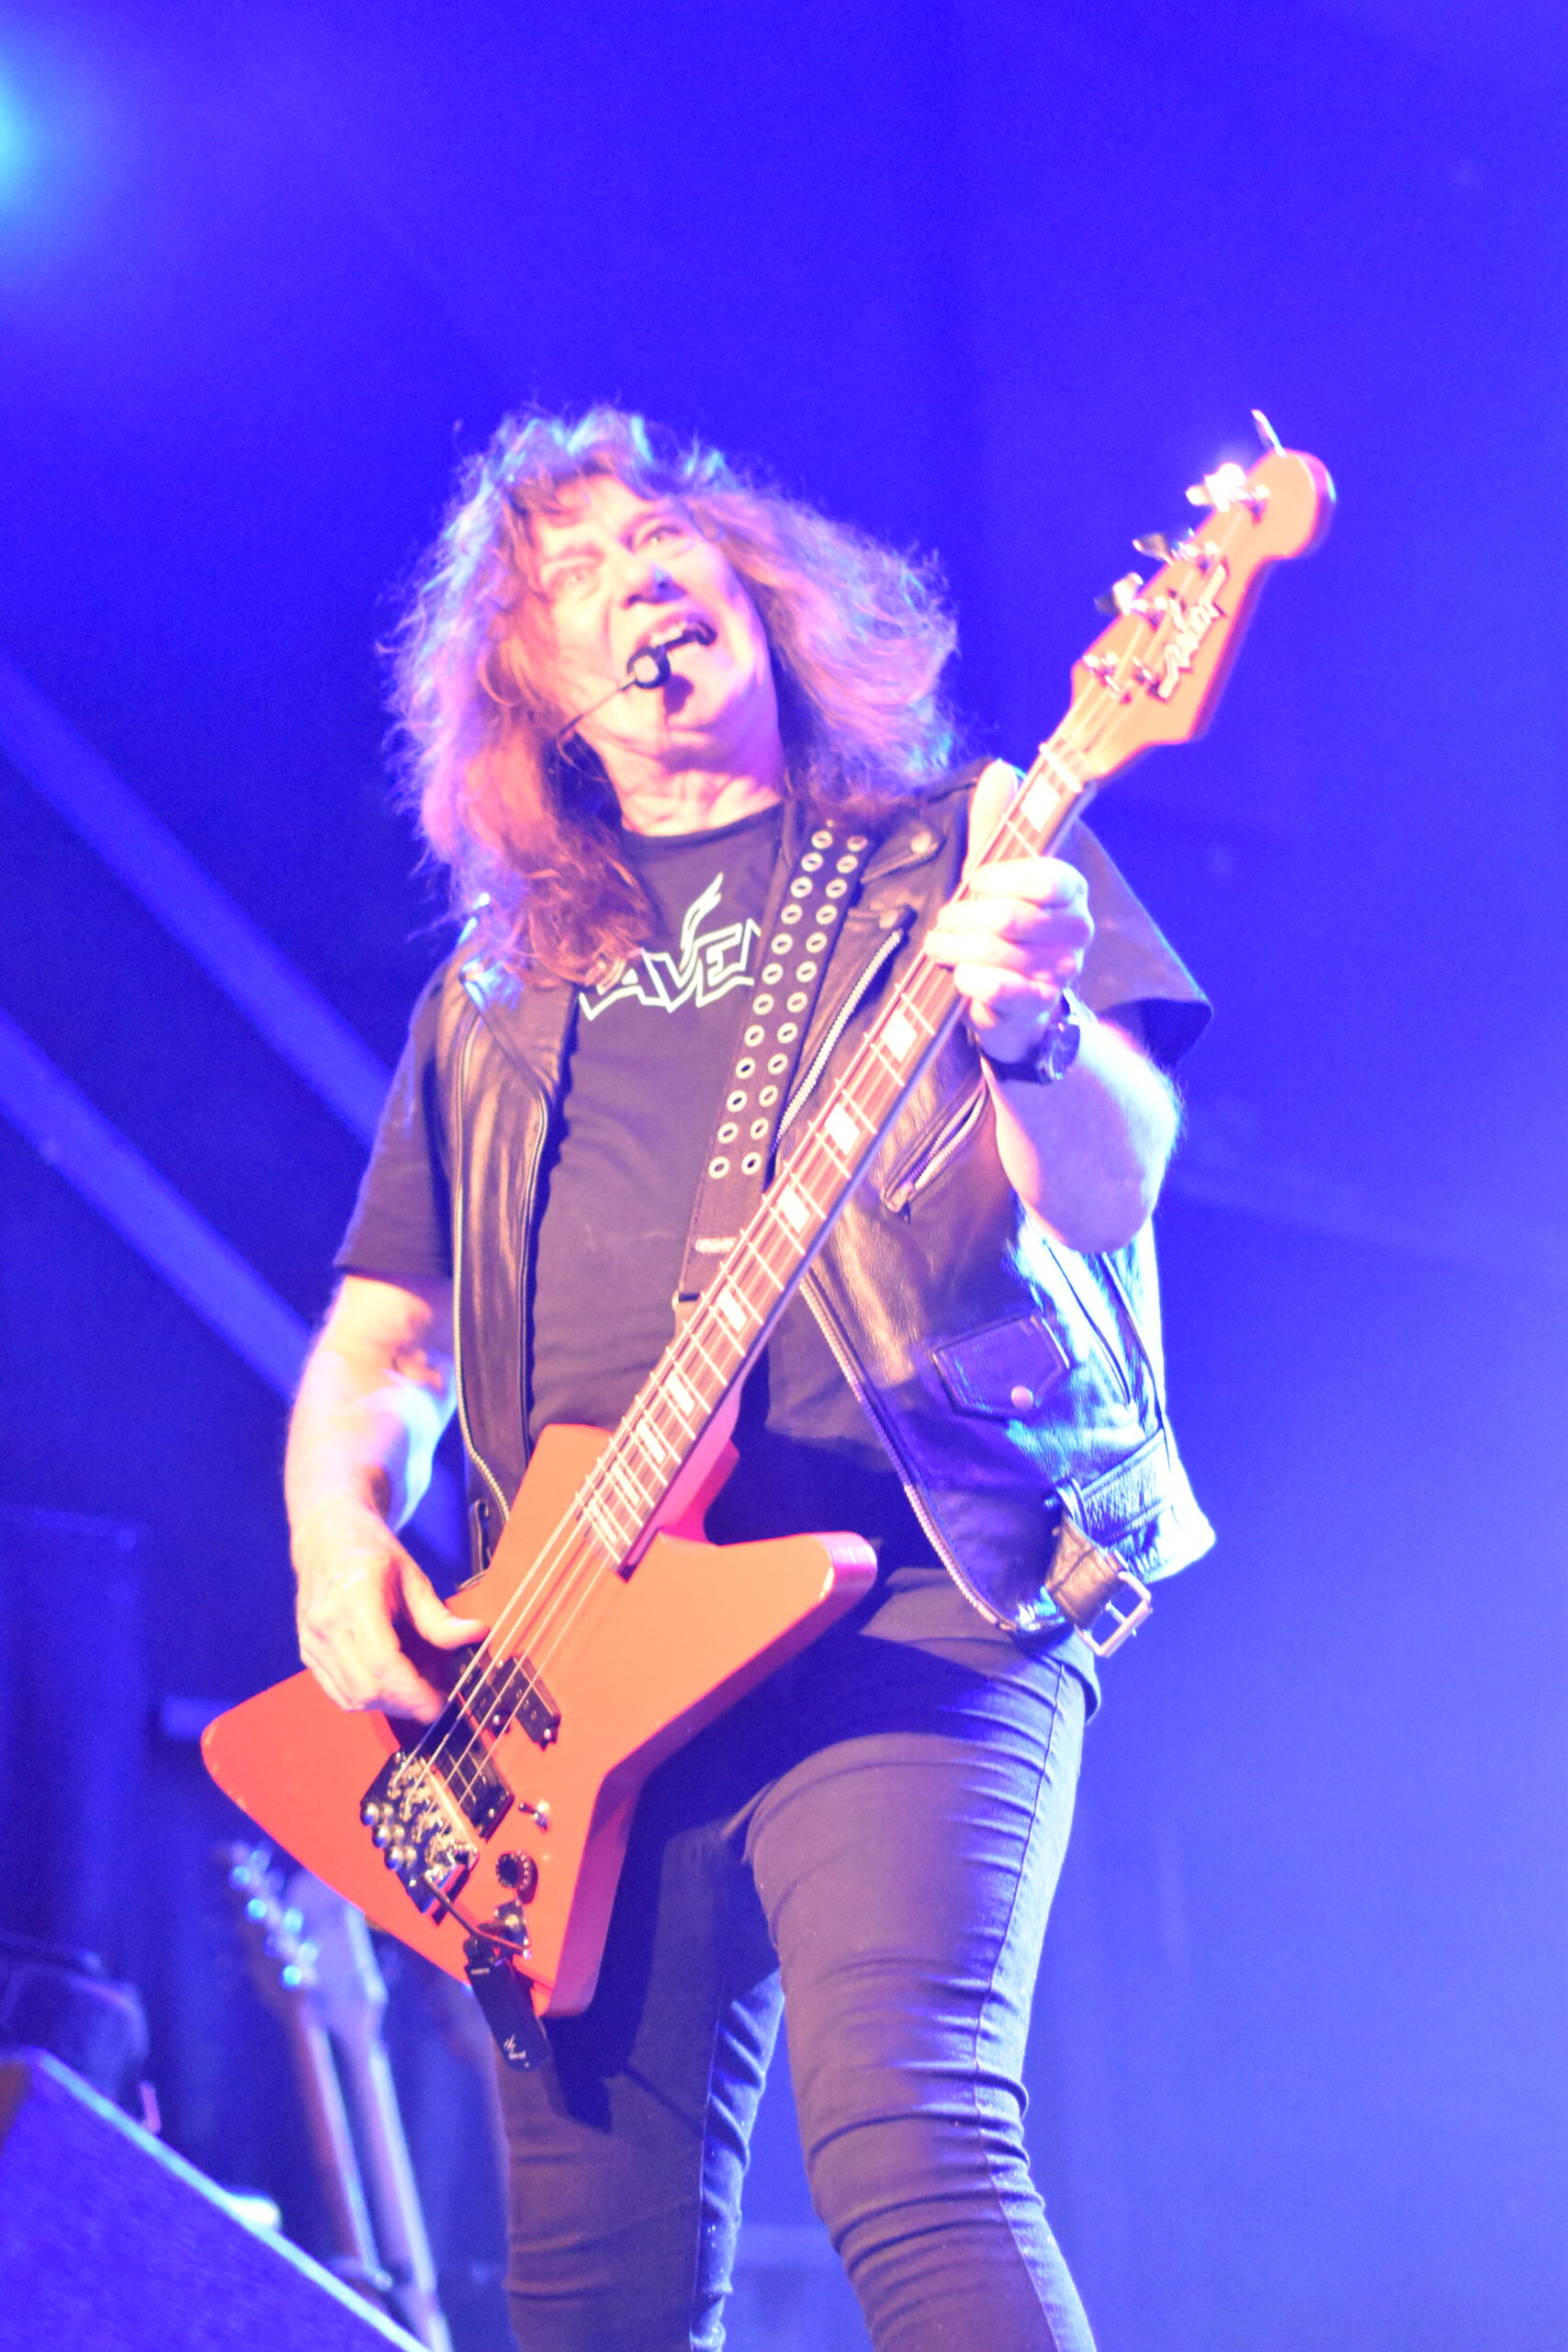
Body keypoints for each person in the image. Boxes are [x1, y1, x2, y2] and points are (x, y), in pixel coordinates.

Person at [284, 407, 1213, 2352]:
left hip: (913, 1595)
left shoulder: (957, 843)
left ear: (756, 591)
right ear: (530, 694)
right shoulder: (493, 993)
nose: (633, 580)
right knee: (587, 2288)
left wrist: (1032, 1032)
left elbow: (1115, 1184)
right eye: (568, 577)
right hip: (563, 1672)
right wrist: (335, 1542)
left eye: (661, 541)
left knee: (909, 2143)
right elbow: (385, 1338)